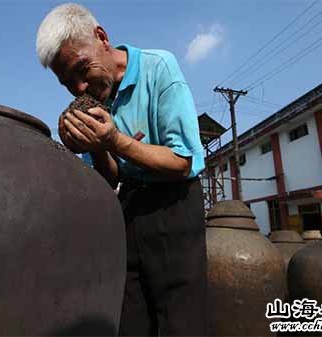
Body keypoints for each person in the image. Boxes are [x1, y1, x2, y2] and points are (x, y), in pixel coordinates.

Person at [36, 3, 207, 336]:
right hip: (128, 209)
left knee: (181, 321)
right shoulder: (95, 99)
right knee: (130, 319)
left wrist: (113, 139)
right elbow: (111, 177)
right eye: (67, 82)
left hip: (174, 205)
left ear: (101, 37)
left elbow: (183, 161)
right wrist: (95, 147)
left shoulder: (158, 68)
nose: (80, 87)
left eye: (81, 69)